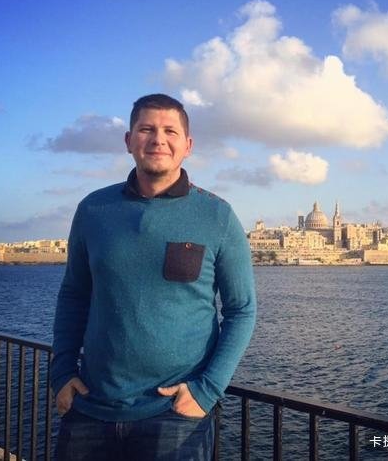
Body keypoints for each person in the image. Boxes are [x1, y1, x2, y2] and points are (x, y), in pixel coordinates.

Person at [51, 93, 257, 460]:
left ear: (187, 146)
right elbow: (74, 295)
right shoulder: (94, 210)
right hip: (90, 408)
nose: (158, 139)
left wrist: (207, 390)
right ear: (129, 140)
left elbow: (242, 309)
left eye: (169, 131)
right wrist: (62, 372)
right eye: (146, 129)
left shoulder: (217, 217)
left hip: (175, 415)